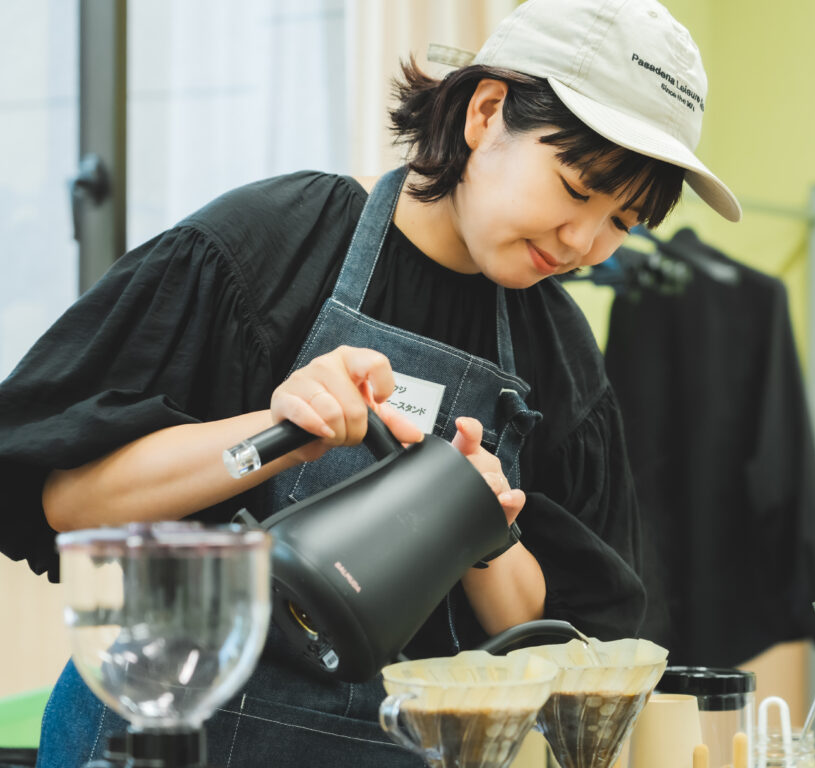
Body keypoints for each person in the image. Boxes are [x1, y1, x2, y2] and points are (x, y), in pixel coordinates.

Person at [1, 0, 740, 765]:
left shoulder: (557, 354)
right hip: (162, 735)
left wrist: (481, 530)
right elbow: (69, 504)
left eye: (623, 221)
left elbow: (552, 639)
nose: (585, 242)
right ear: (486, 113)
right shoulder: (270, 247)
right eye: (577, 189)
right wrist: (276, 436)